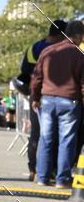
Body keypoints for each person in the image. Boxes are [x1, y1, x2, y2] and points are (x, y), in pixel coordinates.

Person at [30, 20, 84, 188]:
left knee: (46, 139)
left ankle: (42, 177)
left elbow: (36, 79)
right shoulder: (78, 55)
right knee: (66, 141)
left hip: (47, 100)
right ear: (79, 36)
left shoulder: (47, 51)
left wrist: (36, 98)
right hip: (69, 101)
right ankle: (62, 179)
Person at [18, 20, 67, 180]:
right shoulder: (59, 50)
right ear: (60, 35)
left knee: (36, 134)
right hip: (53, 94)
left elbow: (24, 72)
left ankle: (33, 170)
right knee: (54, 135)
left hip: (36, 94)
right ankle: (49, 171)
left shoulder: (34, 48)